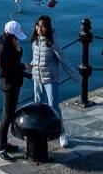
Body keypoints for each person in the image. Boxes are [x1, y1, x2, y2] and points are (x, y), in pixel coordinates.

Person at [29, 15, 73, 148]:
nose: (39, 28)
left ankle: (61, 132)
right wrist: (28, 66)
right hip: (37, 78)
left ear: (47, 27)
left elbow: (63, 59)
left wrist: (74, 75)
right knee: (38, 105)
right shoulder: (34, 41)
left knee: (53, 106)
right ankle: (41, 130)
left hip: (50, 79)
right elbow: (35, 59)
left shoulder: (52, 42)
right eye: (37, 25)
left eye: (42, 26)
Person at [0, 20, 27, 160]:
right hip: (9, 85)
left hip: (14, 83)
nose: (18, 39)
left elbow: (14, 62)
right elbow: (2, 72)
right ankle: (0, 147)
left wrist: (18, 51)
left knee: (9, 114)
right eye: (16, 37)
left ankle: (4, 144)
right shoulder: (2, 48)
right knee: (6, 116)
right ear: (10, 35)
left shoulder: (8, 44)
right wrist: (22, 67)